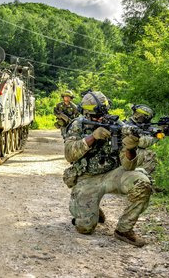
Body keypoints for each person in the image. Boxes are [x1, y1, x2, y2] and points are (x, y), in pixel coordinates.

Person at [63, 91, 152, 247]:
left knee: (142, 182)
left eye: (101, 115)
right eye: (95, 117)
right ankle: (91, 210)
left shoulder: (119, 126)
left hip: (113, 175)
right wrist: (92, 137)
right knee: (85, 228)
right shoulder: (78, 125)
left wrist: (131, 148)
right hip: (87, 178)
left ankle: (124, 230)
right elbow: (69, 154)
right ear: (86, 113)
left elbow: (128, 166)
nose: (99, 119)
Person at [126, 104, 158, 175]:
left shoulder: (137, 125)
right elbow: (141, 143)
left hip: (127, 153)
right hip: (125, 153)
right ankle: (142, 177)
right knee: (149, 155)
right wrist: (156, 137)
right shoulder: (128, 126)